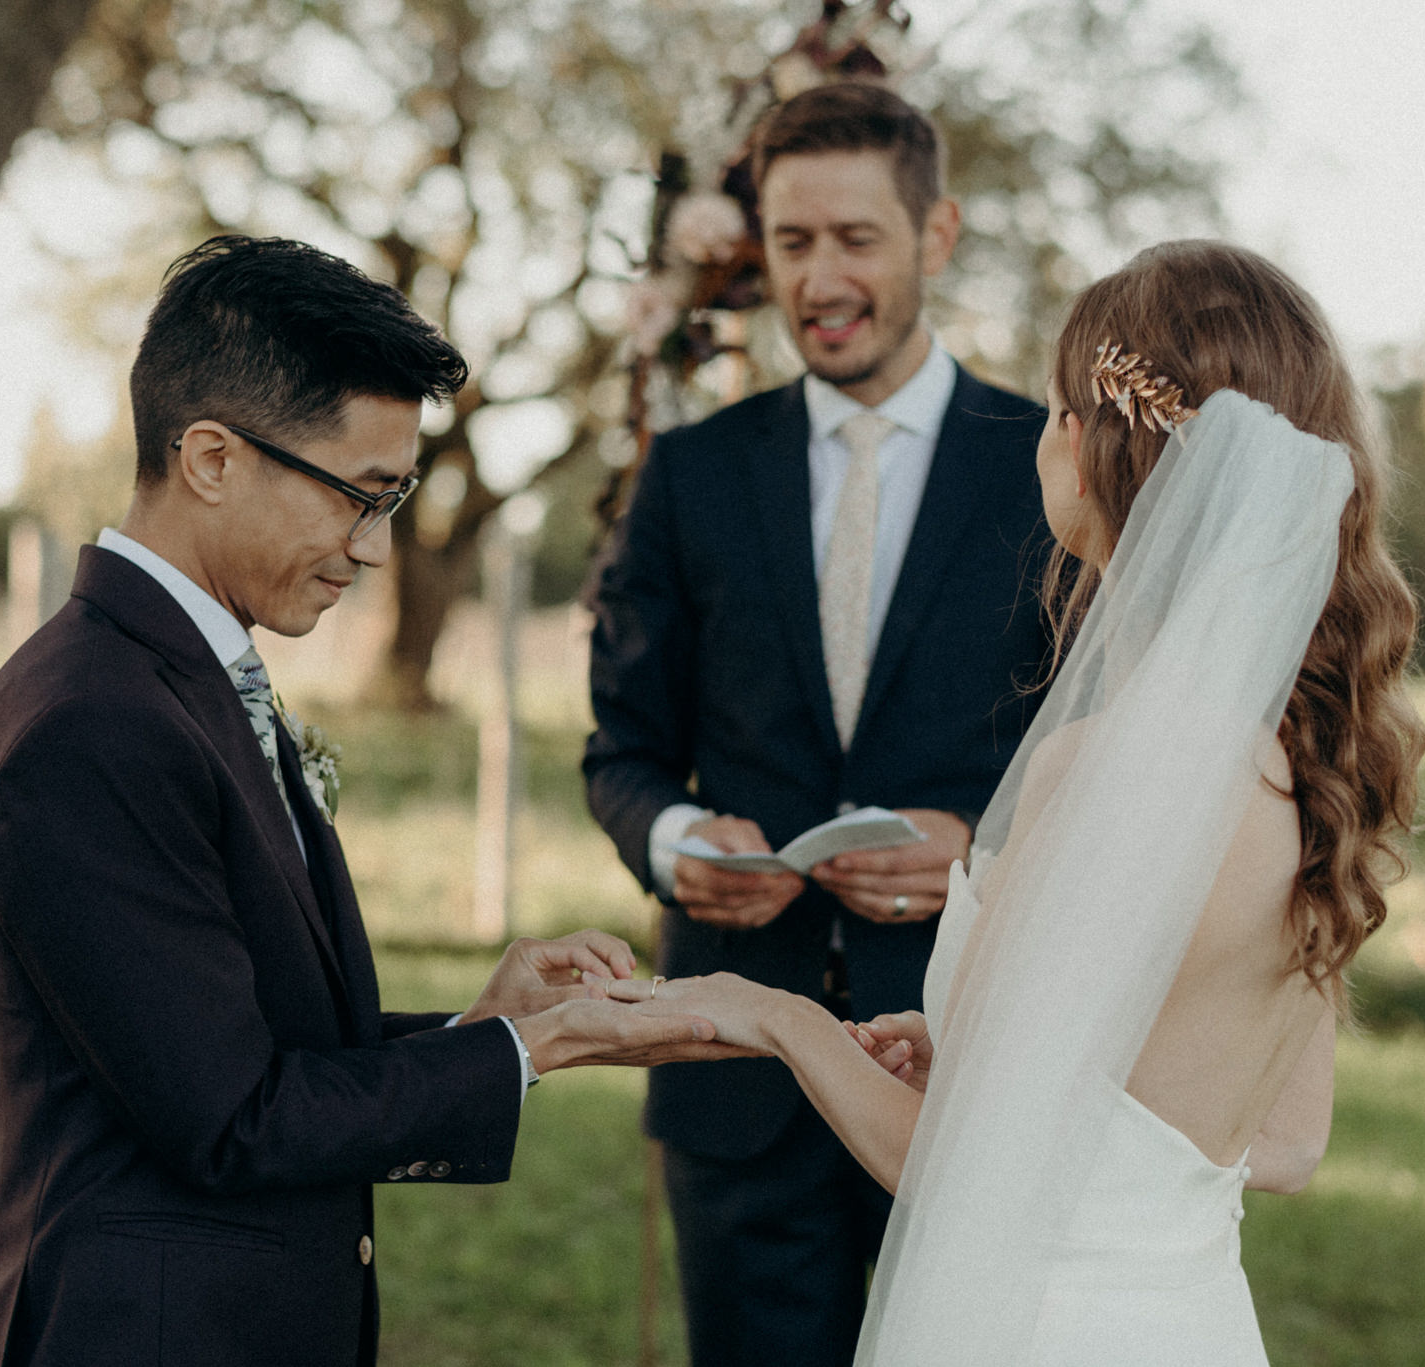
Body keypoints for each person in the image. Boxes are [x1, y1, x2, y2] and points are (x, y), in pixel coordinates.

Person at [611, 240, 1425, 1364]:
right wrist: (988, 1061)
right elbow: (1283, 1140)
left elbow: (950, 1168)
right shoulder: (1306, 769)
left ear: (1092, 447)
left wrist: (776, 1016)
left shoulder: (1098, 764)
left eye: (1052, 406)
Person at [0, 236, 736, 1367]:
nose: (373, 548)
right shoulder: (89, 722)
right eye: (359, 497)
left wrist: (481, 1028)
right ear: (212, 458)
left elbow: (236, 1038)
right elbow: (230, 1117)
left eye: (395, 498)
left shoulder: (179, 673)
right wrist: (528, 1047)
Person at [584, 83, 1053, 1367]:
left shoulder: (1050, 469)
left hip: (974, 1067)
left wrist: (977, 845)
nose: (819, 277)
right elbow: (618, 749)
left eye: (855, 238)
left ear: (936, 235)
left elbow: (1107, 750)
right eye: (792, 244)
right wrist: (676, 838)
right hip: (737, 1082)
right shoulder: (689, 475)